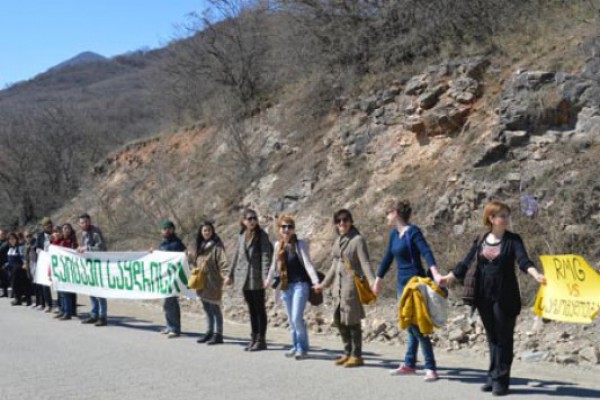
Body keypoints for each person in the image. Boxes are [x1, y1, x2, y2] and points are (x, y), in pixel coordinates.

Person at [442, 201, 546, 396]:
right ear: (491, 218)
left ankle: (501, 380)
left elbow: (523, 261)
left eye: (507, 216)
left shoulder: (513, 240)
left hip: (505, 295)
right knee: (492, 337)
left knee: (504, 337)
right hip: (483, 295)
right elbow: (466, 262)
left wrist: (535, 274)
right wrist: (449, 277)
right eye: (502, 216)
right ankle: (492, 375)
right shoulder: (481, 238)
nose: (506, 219)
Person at [371, 199, 445, 381]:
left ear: (396, 212)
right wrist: (378, 280)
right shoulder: (394, 235)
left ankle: (430, 367)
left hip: (415, 284)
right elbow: (388, 257)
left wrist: (435, 272)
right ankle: (410, 364)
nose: (386, 216)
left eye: (388, 212)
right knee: (409, 323)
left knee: (416, 325)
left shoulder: (413, 232)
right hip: (401, 285)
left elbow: (426, 252)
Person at [316, 209, 375, 368]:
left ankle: (357, 355)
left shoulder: (357, 240)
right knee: (338, 319)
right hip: (338, 288)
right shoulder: (337, 241)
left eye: (345, 220)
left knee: (352, 321)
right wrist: (323, 285)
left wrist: (373, 282)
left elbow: (365, 263)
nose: (342, 223)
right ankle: (347, 352)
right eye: (339, 221)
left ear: (351, 221)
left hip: (352, 287)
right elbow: (334, 267)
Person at [265, 215, 321, 360]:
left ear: (293, 229)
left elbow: (308, 264)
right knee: (291, 319)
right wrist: (268, 281)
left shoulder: (300, 244)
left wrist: (315, 282)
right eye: (284, 227)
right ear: (279, 229)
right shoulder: (278, 246)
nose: (287, 229)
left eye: (290, 226)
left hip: (300, 285)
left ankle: (302, 348)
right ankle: (295, 346)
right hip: (285, 286)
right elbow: (273, 266)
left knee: (297, 317)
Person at [226, 209, 273, 351]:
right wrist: (230, 274)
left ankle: (261, 340)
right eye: (249, 219)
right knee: (251, 309)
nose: (252, 221)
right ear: (243, 221)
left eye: (254, 218)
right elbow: (236, 256)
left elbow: (266, 257)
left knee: (259, 309)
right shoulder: (241, 235)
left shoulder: (262, 235)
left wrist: (266, 277)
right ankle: (253, 337)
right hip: (244, 278)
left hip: (256, 277)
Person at [193, 221, 229, 345]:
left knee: (215, 308)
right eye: (204, 230)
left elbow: (223, 262)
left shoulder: (217, 247)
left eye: (208, 230)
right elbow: (196, 262)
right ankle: (209, 331)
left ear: (212, 231)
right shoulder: (201, 246)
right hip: (202, 281)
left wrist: (225, 275)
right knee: (206, 308)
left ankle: (218, 334)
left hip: (214, 281)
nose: (206, 232)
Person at [156, 220, 186, 338]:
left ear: (173, 230)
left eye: (169, 228)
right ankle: (169, 326)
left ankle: (175, 328)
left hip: (174, 277)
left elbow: (183, 257)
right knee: (166, 303)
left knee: (172, 302)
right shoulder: (162, 244)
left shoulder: (177, 243)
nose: (166, 231)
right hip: (164, 277)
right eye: (164, 229)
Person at [77, 213, 108, 327]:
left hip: (98, 265)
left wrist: (87, 248)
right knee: (91, 290)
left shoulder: (95, 232)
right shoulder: (83, 234)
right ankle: (94, 314)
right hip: (89, 265)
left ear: (89, 221)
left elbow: (101, 247)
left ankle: (102, 316)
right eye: (82, 222)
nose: (84, 224)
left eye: (86, 221)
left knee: (100, 292)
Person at [55, 223, 78, 320]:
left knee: (67, 291)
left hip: (69, 267)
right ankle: (63, 309)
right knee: (61, 291)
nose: (66, 230)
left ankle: (68, 311)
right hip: (60, 268)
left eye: (68, 228)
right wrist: (57, 239)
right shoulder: (60, 240)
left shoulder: (73, 240)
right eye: (64, 228)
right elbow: (53, 249)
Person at [35, 218, 55, 312]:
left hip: (54, 261)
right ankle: (48, 304)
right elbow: (37, 246)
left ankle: (62, 306)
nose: (49, 227)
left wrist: (52, 239)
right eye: (46, 226)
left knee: (57, 283)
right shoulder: (40, 236)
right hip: (44, 261)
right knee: (44, 284)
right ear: (43, 227)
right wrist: (37, 250)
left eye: (50, 226)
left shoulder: (55, 234)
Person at [7, 232, 30, 306]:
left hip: (19, 269)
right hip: (12, 269)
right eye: (10, 239)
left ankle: (25, 299)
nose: (12, 240)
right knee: (14, 285)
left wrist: (25, 264)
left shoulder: (19, 247)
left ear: (16, 239)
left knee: (22, 284)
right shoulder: (10, 249)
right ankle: (17, 298)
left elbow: (23, 257)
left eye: (13, 239)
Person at [23, 230, 39, 308]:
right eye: (26, 236)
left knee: (38, 285)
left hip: (36, 264)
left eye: (29, 235)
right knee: (32, 285)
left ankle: (40, 302)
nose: (28, 237)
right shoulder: (26, 245)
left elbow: (36, 248)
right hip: (30, 265)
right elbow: (25, 257)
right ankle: (35, 302)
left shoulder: (35, 243)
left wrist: (31, 247)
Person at [0, 230, 10, 298]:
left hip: (5, 262)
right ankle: (4, 292)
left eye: (2, 234)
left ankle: (9, 292)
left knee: (7, 278)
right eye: (0, 234)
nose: (1, 235)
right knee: (2, 278)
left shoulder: (7, 242)